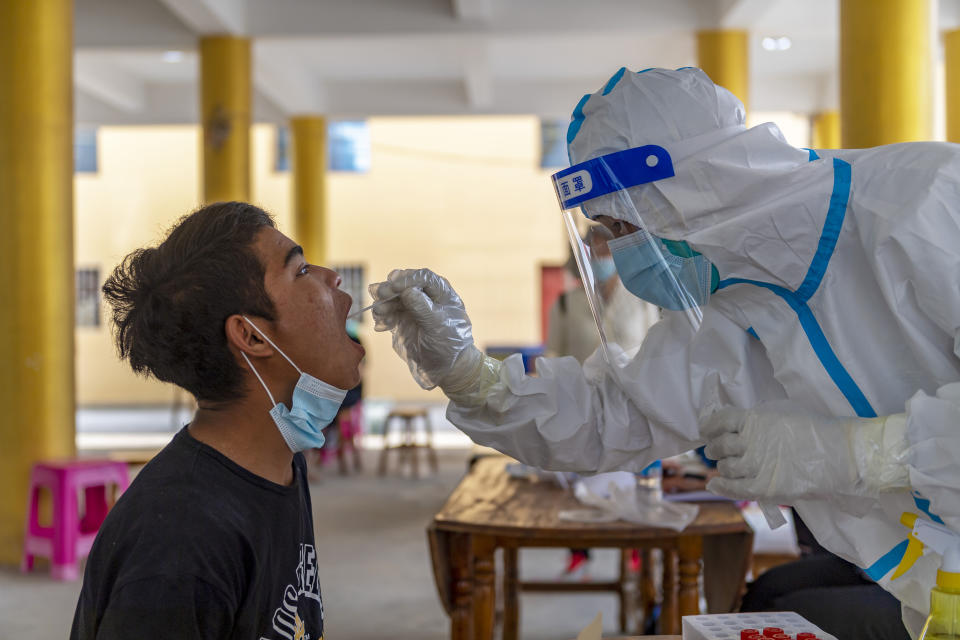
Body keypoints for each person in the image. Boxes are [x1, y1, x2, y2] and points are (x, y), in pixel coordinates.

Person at [370, 67, 960, 637]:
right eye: (598, 235)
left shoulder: (924, 201)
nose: (615, 254)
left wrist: (863, 454)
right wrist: (472, 376)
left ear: (691, 189)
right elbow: (615, 416)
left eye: (619, 229)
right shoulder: (731, 305)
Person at [71, 202, 364, 640]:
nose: (332, 277)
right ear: (251, 336)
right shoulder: (179, 547)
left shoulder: (281, 464)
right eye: (300, 270)